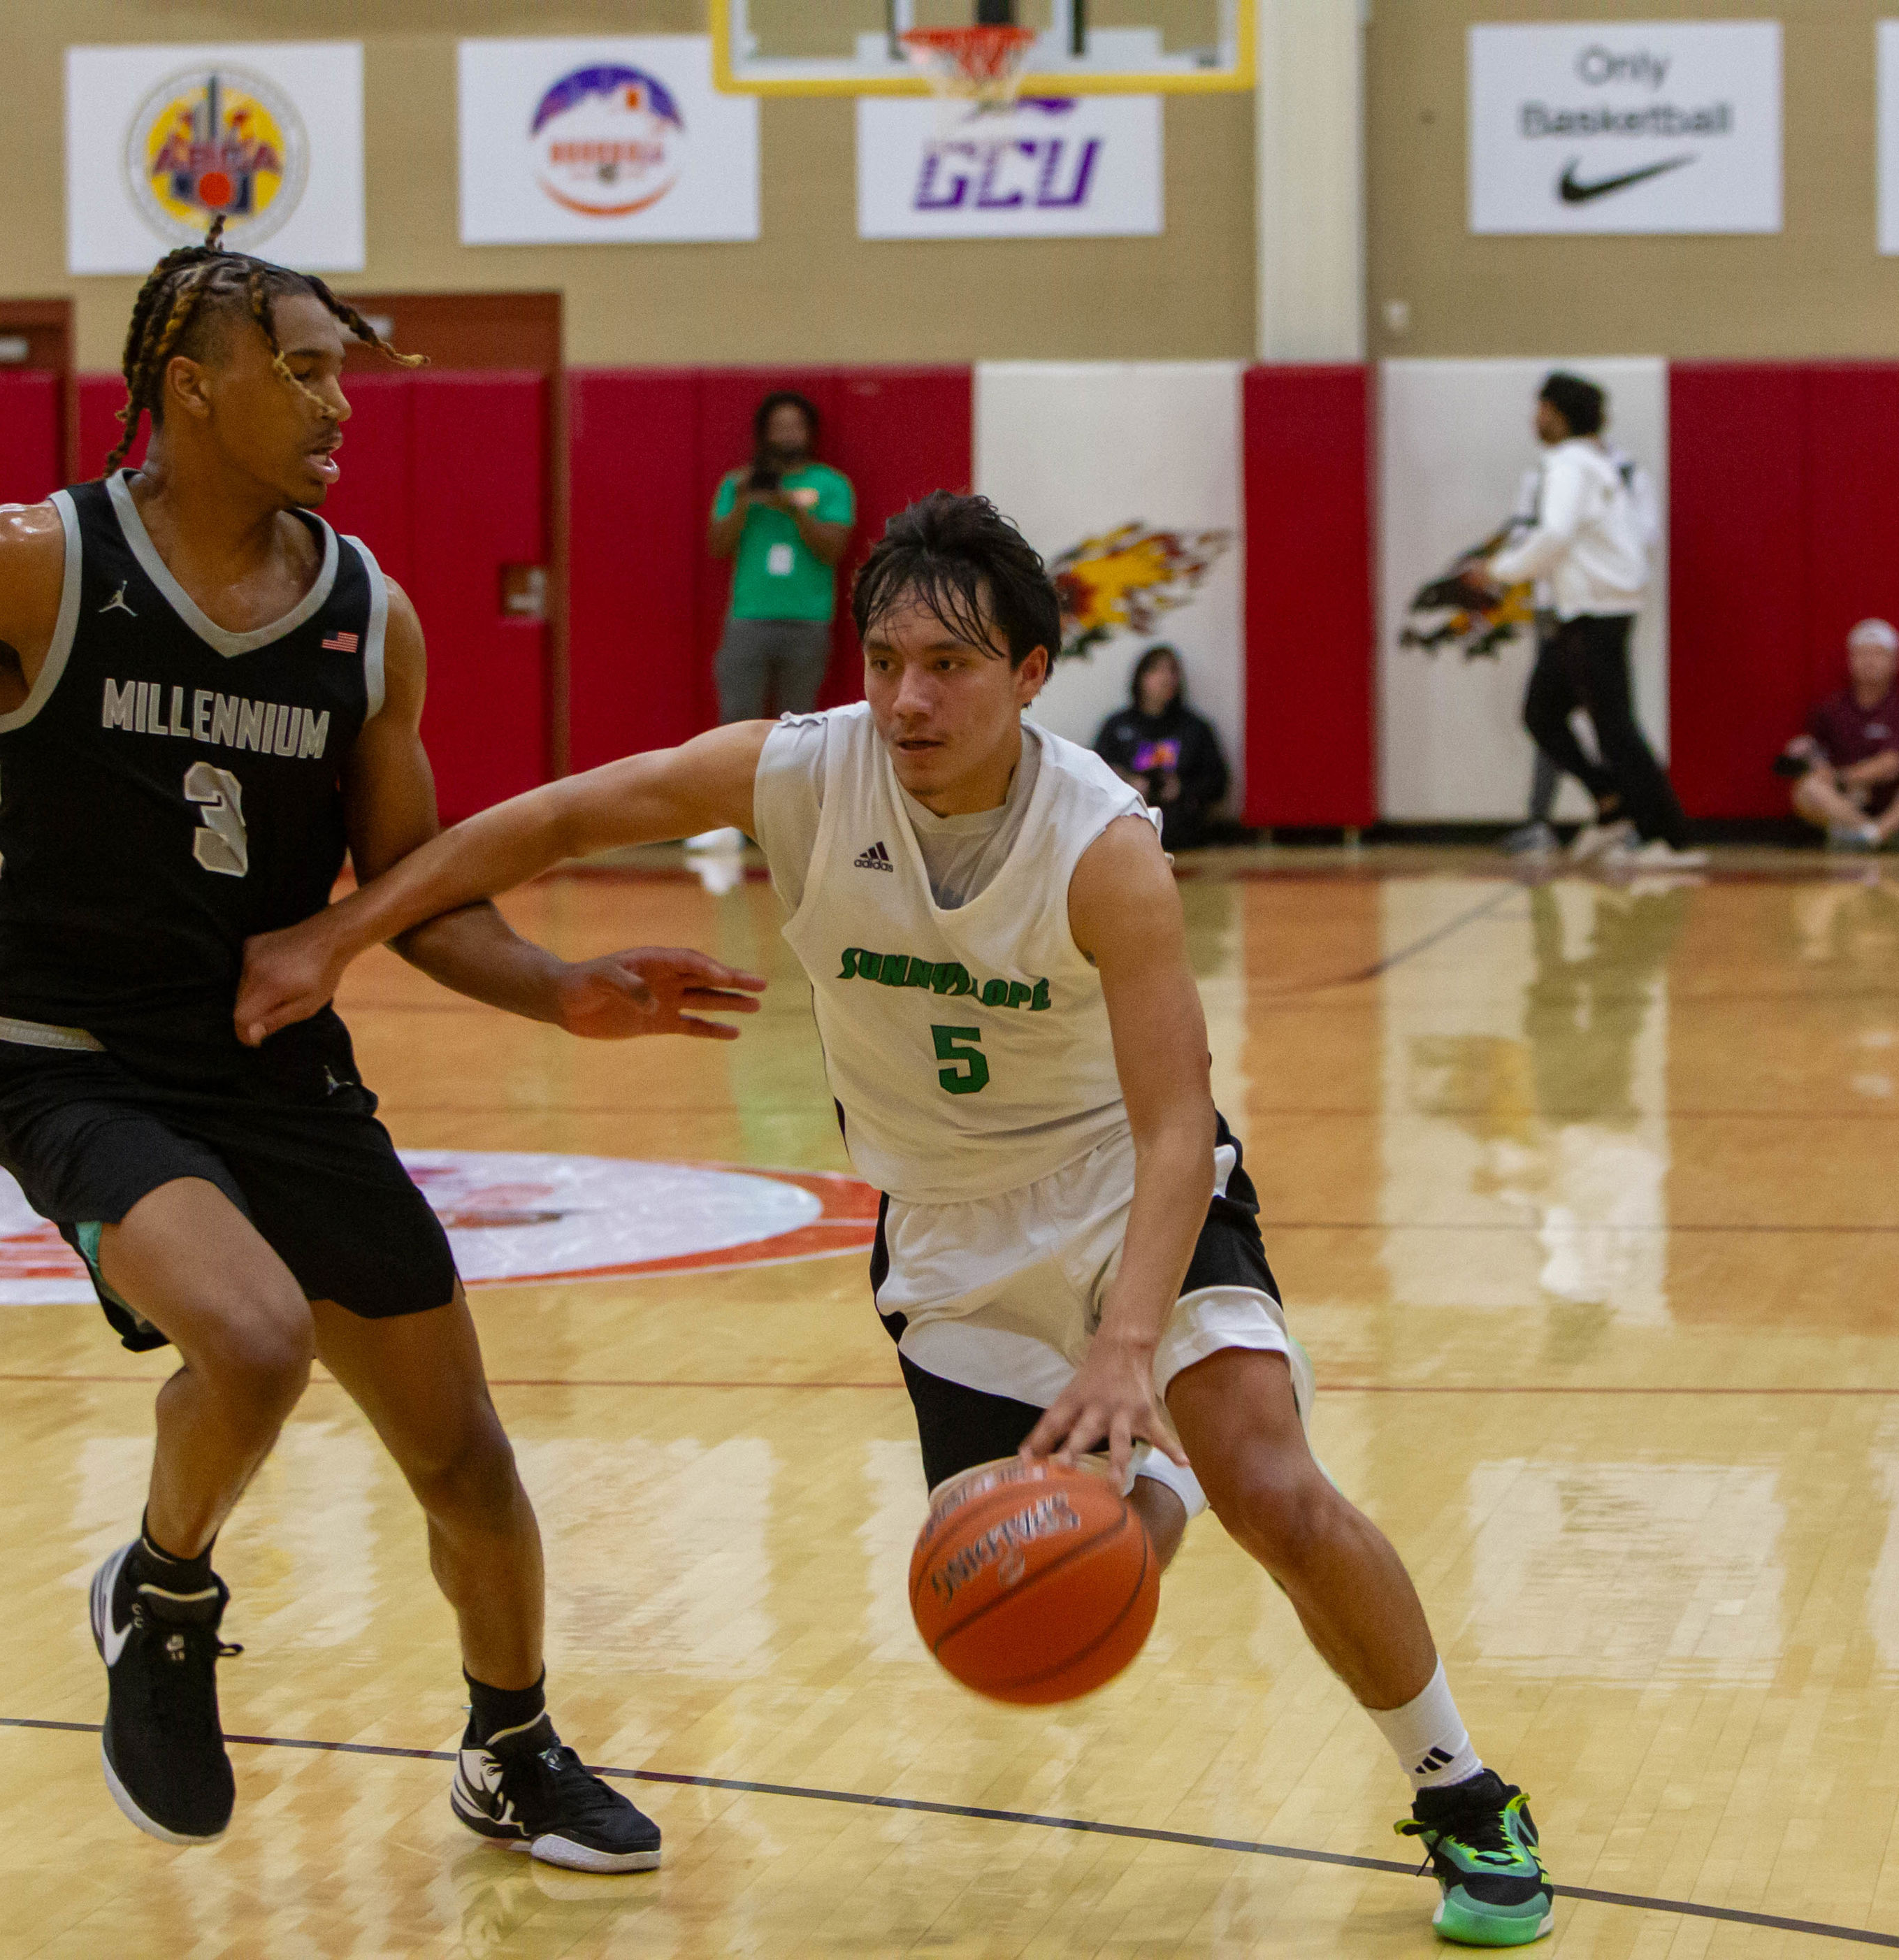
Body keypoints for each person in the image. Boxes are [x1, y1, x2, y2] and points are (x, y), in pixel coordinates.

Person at [235, 491, 1559, 1950]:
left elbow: (1181, 1119)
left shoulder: (1102, 842)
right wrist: (336, 937)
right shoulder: (803, 776)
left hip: (1124, 1186)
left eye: (953, 665)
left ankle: (1463, 1790)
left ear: (1035, 673)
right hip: (943, 1223)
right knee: (1030, 1584)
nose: (909, 698)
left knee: (1280, 1490)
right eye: (884, 661)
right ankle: (1159, 1476)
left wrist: (1127, 1344)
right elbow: (551, 819)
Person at [0, 222, 764, 1864]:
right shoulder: (35, 561)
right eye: (304, 367)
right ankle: (164, 1583)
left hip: (280, 1071)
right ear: (189, 388)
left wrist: (553, 982)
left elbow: (410, 896)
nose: (340, 400)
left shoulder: (368, 618)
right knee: (255, 1338)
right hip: (76, 1056)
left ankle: (510, 1746)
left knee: (467, 1461)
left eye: (344, 367)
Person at [1489, 373, 1698, 870]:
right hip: (1586, 609)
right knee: (1542, 713)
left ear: (1559, 415)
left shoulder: (1569, 464)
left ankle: (1669, 839)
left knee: (1615, 728)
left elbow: (1555, 534)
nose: (1534, 420)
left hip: (1596, 612)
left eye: (1540, 410)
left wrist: (1501, 573)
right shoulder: (1596, 463)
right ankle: (1611, 805)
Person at [691, 390, 854, 853]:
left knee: (798, 727)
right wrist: (746, 501)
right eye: (778, 426)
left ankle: (788, 826)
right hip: (749, 618)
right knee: (735, 725)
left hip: (808, 620)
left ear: (809, 432)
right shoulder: (738, 482)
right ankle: (724, 823)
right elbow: (717, 546)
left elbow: (834, 548)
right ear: (764, 433)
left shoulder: (830, 484)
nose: (787, 433)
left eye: (795, 425)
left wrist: (795, 508)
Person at [1503, 428, 1658, 860]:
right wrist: (1526, 567)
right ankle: (1544, 818)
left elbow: (1642, 539)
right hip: (1556, 606)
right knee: (1545, 713)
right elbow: (1526, 532)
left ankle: (1633, 819)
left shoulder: (1624, 472)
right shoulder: (1547, 473)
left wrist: (1593, 570)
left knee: (1611, 720)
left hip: (1601, 608)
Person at [1780, 618, 1899, 851]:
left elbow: (1893, 763)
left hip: (1896, 802)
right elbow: (1816, 760)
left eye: (1878, 654)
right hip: (1848, 804)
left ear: (1895, 661)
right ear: (1850, 660)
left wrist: (1843, 777)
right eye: (1862, 654)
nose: (1870, 662)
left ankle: (1882, 831)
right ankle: (1865, 832)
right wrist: (1808, 757)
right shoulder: (1831, 709)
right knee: (1805, 789)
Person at [1092, 643, 1230, 846]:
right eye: (1157, 670)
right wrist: (1128, 784)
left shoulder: (1195, 728)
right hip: (1125, 830)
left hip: (1183, 830)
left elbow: (1218, 781)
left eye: (1172, 671)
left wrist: (1182, 788)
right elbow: (1093, 775)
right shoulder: (1117, 726)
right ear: (1140, 677)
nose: (1166, 678)